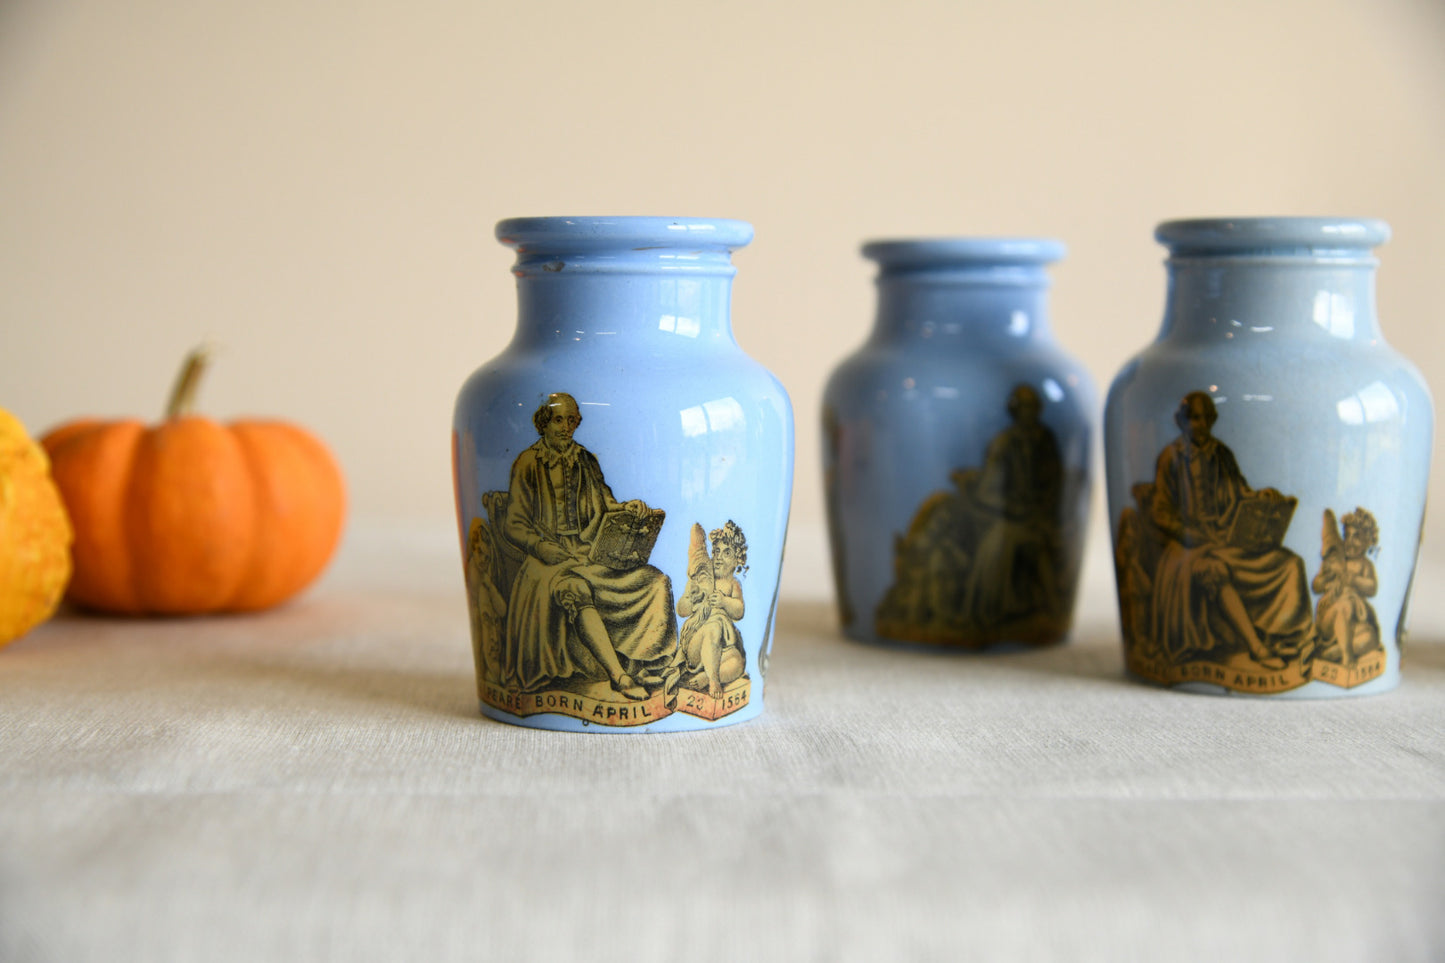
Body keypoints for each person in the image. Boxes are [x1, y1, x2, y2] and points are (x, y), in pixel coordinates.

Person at [501, 393, 678, 699]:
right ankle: (620, 677)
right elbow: (513, 525)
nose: (566, 427)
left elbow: (607, 506)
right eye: (559, 419)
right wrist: (543, 548)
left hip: (589, 555)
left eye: (572, 420)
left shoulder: (585, 460)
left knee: (655, 581)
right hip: (546, 563)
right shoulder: (528, 463)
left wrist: (629, 509)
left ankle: (650, 665)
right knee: (577, 591)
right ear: (543, 422)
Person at [1147, 392, 1313, 668]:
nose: (1198, 425)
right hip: (1188, 546)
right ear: (1181, 422)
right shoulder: (1171, 457)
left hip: (1226, 541)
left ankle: (1290, 639)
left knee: (1290, 563)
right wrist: (1190, 534)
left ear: (1212, 421)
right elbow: (1160, 512)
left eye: (1204, 419)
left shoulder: (1222, 455)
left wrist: (1265, 498)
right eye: (1192, 419)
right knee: (1215, 572)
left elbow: (1241, 494)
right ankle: (1257, 649)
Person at [959, 384, 1065, 631]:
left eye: (1032, 407)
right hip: (1007, 516)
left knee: (1040, 544)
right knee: (998, 542)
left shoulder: (1046, 441)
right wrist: (1014, 507)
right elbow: (988, 490)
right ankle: (986, 613)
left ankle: (1049, 610)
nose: (1029, 413)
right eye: (1023, 407)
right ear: (1014, 411)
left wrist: (1041, 509)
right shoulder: (1003, 443)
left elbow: (1056, 483)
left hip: (1040, 516)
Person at [677, 521, 748, 698]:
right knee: (713, 628)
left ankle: (708, 677)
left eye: (727, 553)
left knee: (736, 664)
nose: (719, 557)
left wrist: (724, 602)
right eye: (716, 552)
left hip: (724, 649)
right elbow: (681, 610)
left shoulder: (733, 585)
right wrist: (690, 597)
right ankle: (714, 680)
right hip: (698, 644)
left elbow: (739, 611)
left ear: (737, 560)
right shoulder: (703, 579)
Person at [1313, 508, 1381, 666]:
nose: (1349, 541)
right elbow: (1316, 585)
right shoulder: (1335, 561)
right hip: (1331, 616)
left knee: (1370, 638)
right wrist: (1326, 579)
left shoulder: (1365, 565)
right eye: (1346, 536)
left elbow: (1372, 588)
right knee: (1344, 606)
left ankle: (1335, 652)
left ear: (1368, 541)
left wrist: (1352, 579)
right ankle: (1347, 656)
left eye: (1356, 537)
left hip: (1354, 622)